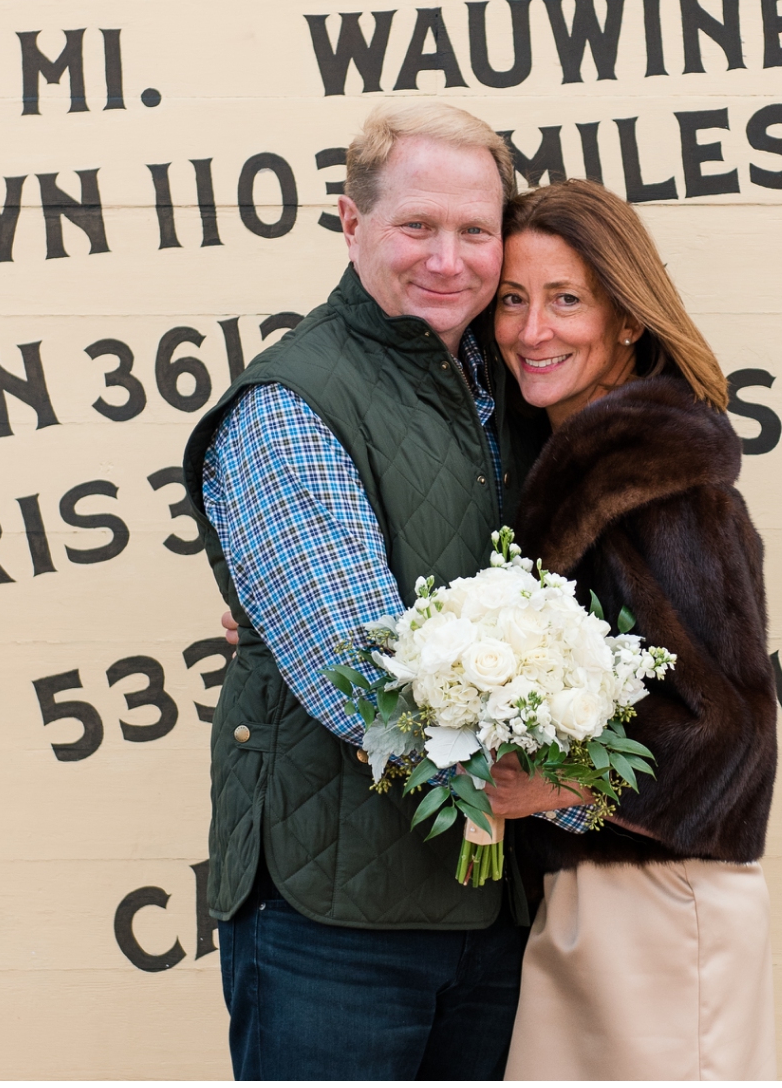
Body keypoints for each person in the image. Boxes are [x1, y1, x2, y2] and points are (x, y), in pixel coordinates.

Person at [181, 102, 593, 1081]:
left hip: (492, 909)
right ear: (349, 222)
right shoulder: (292, 408)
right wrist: (588, 791)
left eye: (475, 232)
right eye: (417, 227)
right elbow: (367, 692)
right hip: (338, 927)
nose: (448, 260)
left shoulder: (522, 384)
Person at [482, 178, 780, 1080]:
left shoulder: (655, 484)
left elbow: (725, 728)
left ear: (627, 320)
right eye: (512, 300)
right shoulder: (573, 469)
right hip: (606, 900)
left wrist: (550, 785)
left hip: (658, 903)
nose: (533, 331)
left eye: (566, 299)